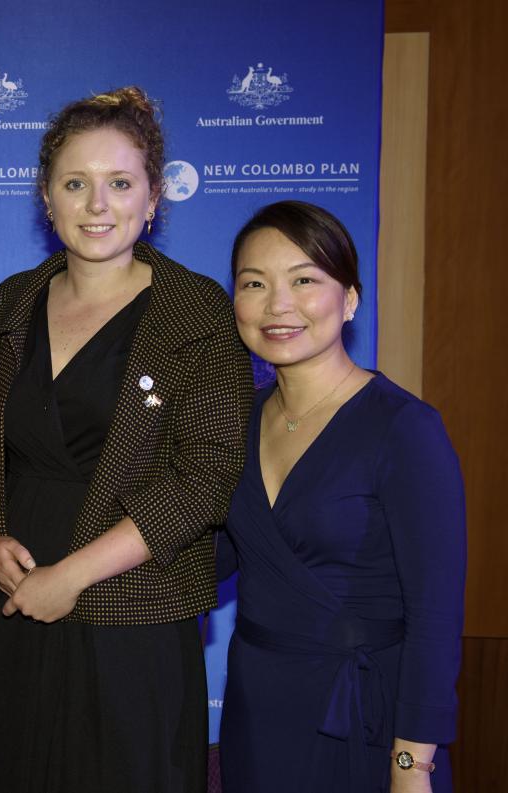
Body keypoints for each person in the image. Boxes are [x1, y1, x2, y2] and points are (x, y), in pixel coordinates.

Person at [0, 87, 255, 793]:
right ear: (46, 198)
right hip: (17, 602)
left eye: (120, 183)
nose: (98, 204)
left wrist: (72, 576)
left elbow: (206, 479)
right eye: (76, 183)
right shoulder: (9, 304)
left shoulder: (199, 314)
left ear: (154, 197)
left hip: (135, 610)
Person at [219, 201, 465, 793]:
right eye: (255, 283)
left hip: (364, 719)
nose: (279, 304)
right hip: (257, 709)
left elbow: (435, 616)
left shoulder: (404, 428)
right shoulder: (233, 423)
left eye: (305, 280)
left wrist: (411, 767)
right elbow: (209, 560)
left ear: (350, 298)